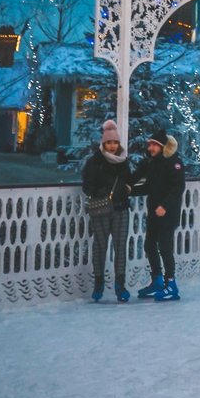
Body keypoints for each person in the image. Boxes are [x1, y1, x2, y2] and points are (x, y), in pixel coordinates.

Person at [81, 118, 133, 302]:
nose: (112, 146)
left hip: (120, 208)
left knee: (120, 247)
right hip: (101, 208)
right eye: (109, 142)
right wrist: (99, 192)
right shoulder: (95, 162)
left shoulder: (123, 161)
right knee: (100, 245)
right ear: (103, 143)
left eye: (115, 142)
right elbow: (87, 185)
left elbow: (129, 180)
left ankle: (120, 285)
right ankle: (99, 283)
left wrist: (129, 187)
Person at [131, 129, 186, 302]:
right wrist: (129, 191)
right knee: (149, 246)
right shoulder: (152, 163)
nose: (151, 147)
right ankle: (157, 280)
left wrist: (164, 205)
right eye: (150, 144)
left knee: (165, 247)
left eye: (154, 145)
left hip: (168, 213)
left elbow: (178, 188)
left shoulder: (174, 162)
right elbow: (149, 187)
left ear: (162, 146)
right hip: (154, 212)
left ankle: (171, 284)